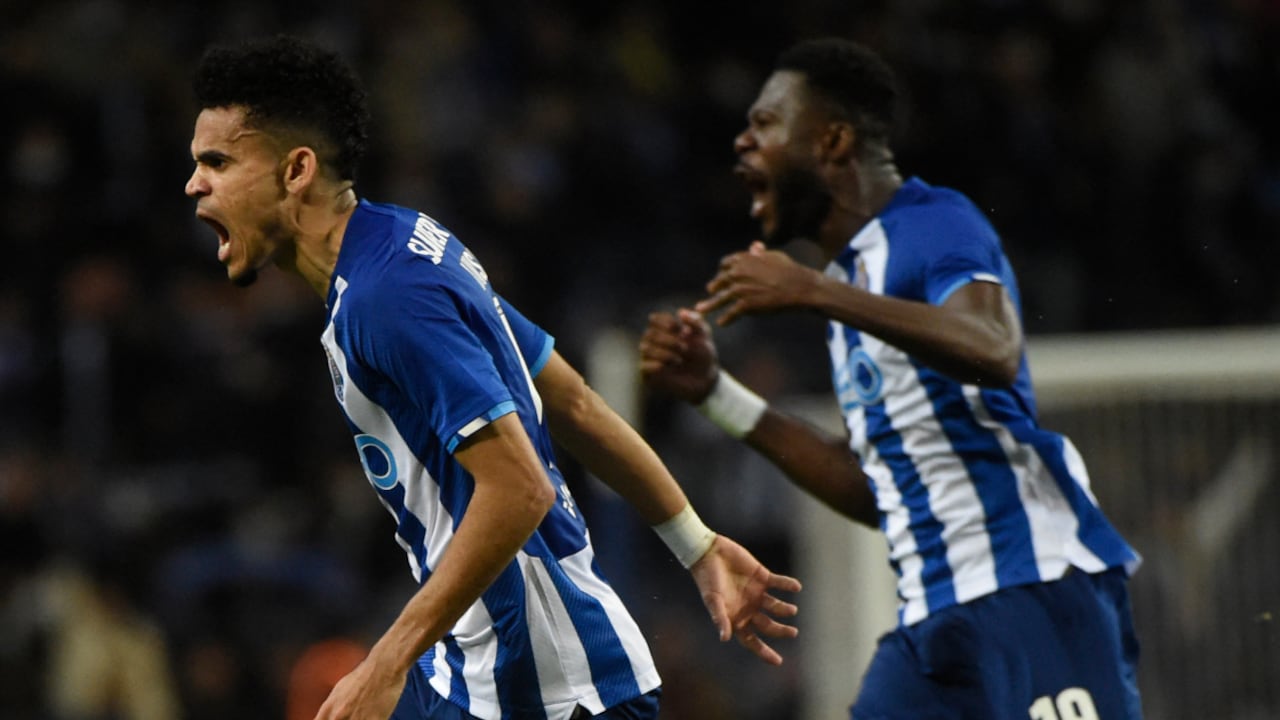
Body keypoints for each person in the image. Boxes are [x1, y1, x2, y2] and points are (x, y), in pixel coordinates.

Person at [183, 34, 802, 720]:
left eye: (218, 161)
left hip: (555, 691)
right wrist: (698, 543)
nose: (195, 184)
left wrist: (384, 664)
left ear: (296, 169)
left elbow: (520, 487)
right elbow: (574, 401)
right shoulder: (404, 244)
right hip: (477, 674)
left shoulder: (387, 298)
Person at [639, 37, 1144, 719]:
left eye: (764, 123)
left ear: (833, 140)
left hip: (1031, 592)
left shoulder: (931, 223)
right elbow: (878, 487)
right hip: (932, 630)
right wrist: (713, 392)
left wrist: (814, 293)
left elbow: (995, 346)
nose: (742, 142)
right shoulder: (854, 285)